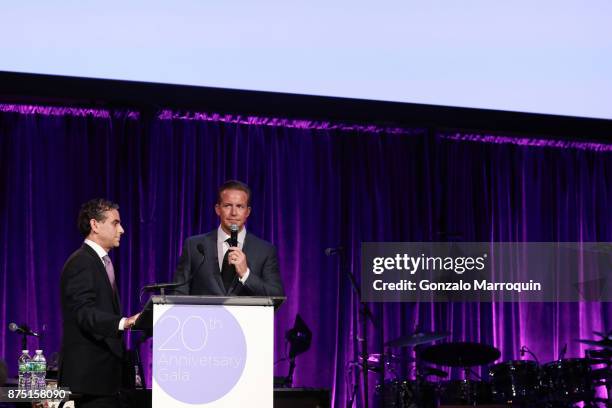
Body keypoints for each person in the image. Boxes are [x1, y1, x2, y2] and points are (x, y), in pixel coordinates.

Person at [58, 199, 139, 408]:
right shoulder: (82, 262)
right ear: (95, 225)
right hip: (89, 384)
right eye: (115, 223)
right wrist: (124, 322)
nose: (121, 229)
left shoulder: (100, 261)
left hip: (105, 382)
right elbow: (83, 313)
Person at [172, 180, 284, 296]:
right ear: (218, 209)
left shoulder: (265, 251)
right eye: (227, 206)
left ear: (247, 212)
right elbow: (178, 293)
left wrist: (246, 274)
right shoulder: (194, 246)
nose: (234, 213)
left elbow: (276, 296)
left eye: (240, 206)